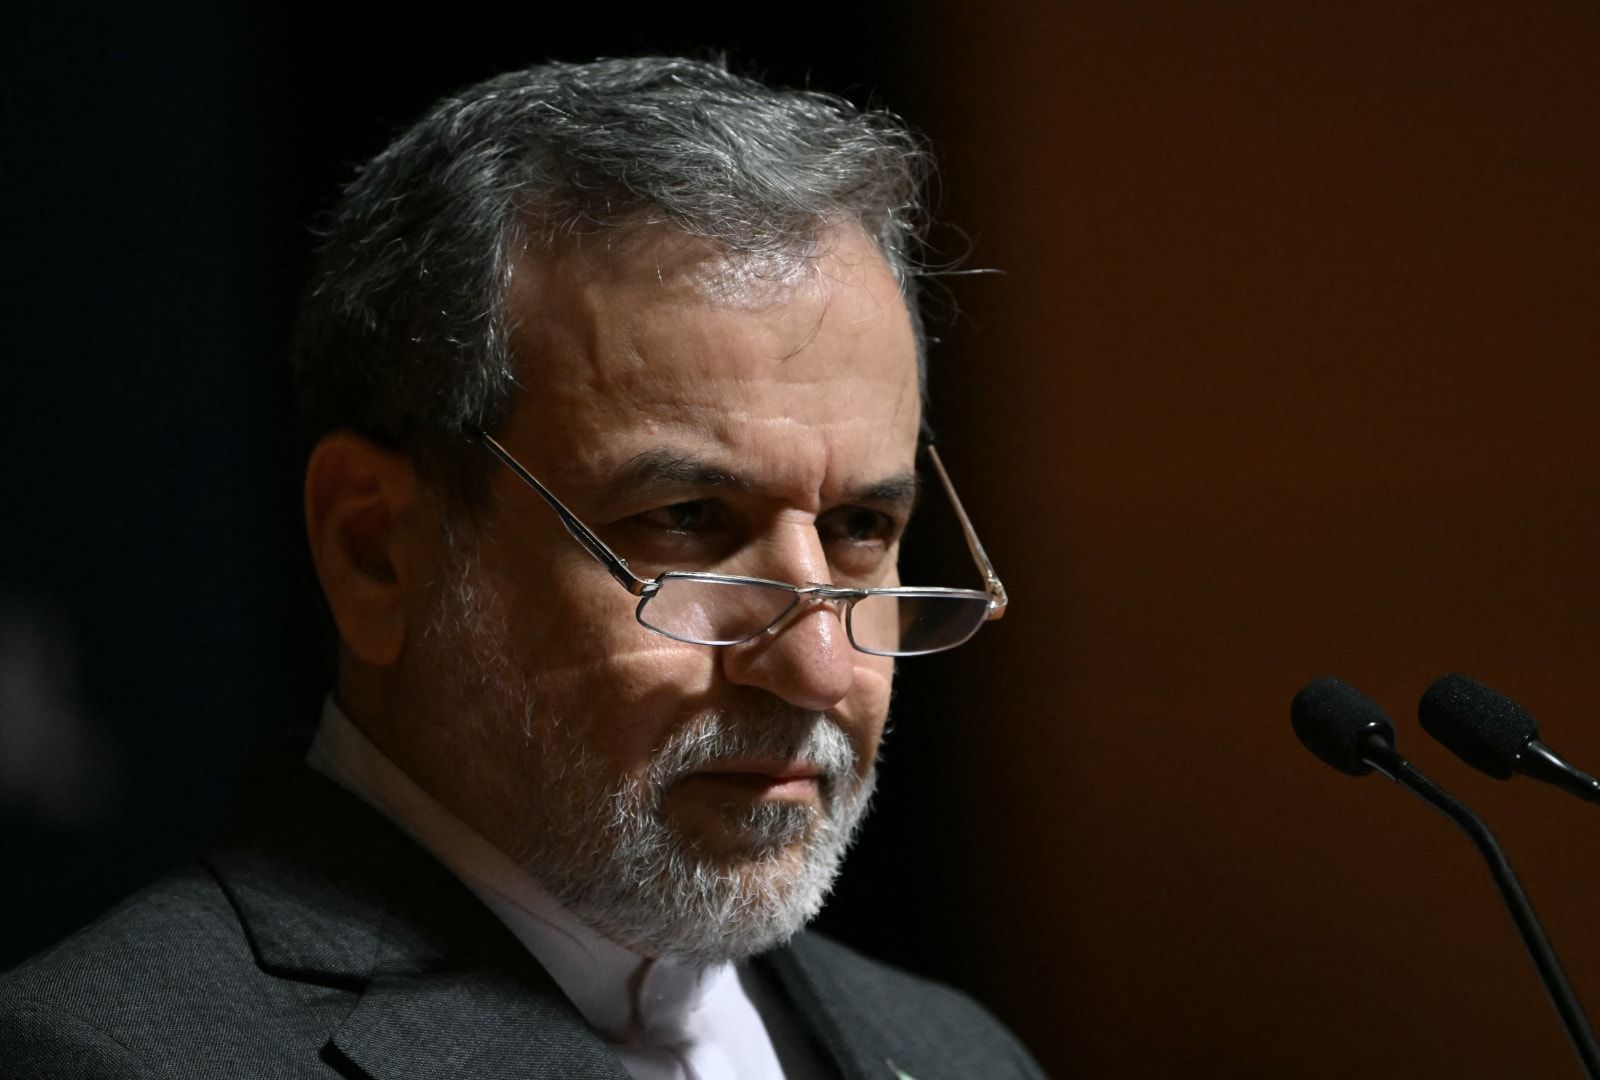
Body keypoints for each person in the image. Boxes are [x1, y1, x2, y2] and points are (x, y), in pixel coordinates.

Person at [0, 56, 1041, 1079]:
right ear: (375, 550)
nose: (819, 668)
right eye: (685, 520)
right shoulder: (103, 1058)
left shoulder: (962, 1054)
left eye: (860, 527)